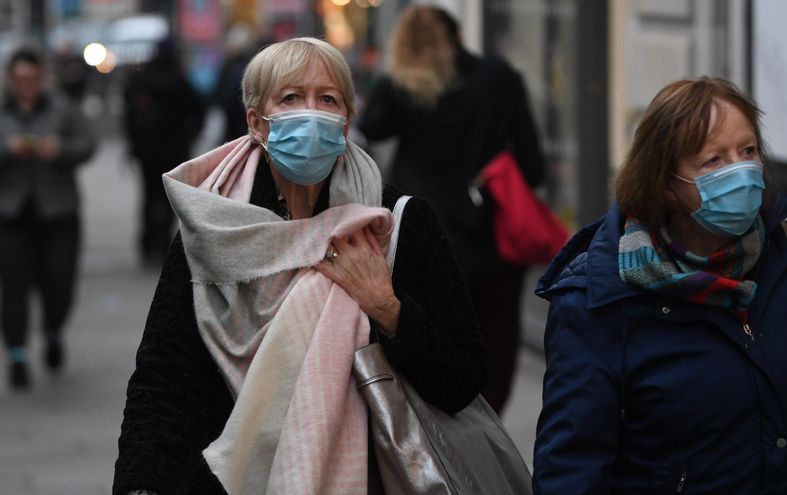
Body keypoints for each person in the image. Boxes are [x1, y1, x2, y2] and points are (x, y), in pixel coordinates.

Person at [112, 37, 487, 494]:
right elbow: (165, 379)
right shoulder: (215, 232)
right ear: (257, 123)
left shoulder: (395, 224)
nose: (311, 113)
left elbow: (462, 380)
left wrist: (387, 307)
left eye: (327, 99)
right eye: (291, 98)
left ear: (346, 121)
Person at [532, 77, 787, 493]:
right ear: (665, 183)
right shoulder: (598, 299)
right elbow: (571, 469)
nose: (741, 171)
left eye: (748, 151)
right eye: (713, 160)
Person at [358, 5, 545, 414]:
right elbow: (532, 165)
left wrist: (391, 76)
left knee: (427, 344)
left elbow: (371, 126)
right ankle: (486, 438)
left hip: (416, 238)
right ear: (460, 37)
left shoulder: (402, 86)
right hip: (488, 237)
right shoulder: (500, 79)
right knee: (494, 350)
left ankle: (441, 444)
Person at [0, 46, 96, 390]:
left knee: (59, 283)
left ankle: (54, 330)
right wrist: (7, 150)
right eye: (19, 78)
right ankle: (18, 356)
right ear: (10, 80)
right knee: (13, 288)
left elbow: (88, 144)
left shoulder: (62, 108)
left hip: (58, 213)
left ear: (41, 79)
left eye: (31, 78)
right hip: (10, 216)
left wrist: (60, 150)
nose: (25, 85)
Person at [123, 36, 205, 265]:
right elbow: (198, 110)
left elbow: (128, 117)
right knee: (169, 198)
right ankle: (162, 243)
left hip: (146, 151)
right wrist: (190, 135)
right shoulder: (179, 80)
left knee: (148, 196)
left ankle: (147, 243)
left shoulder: (138, 80)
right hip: (174, 151)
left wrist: (132, 144)